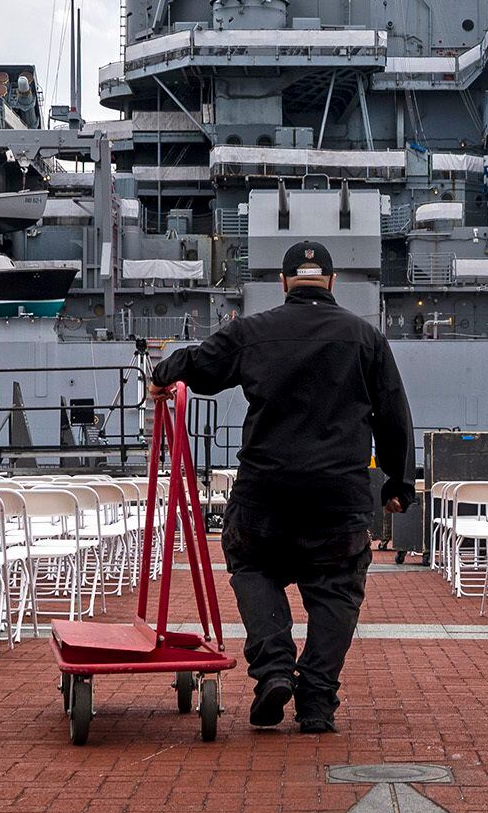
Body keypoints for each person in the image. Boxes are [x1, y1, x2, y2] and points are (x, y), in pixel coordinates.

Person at [148, 241, 413, 734]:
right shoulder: (366, 338)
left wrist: (164, 375)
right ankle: (316, 701)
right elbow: (394, 416)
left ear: (284, 283)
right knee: (336, 590)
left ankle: (273, 670)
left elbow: (202, 365)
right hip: (339, 497)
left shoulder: (254, 332)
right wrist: (399, 484)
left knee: (251, 565)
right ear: (332, 283)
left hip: (266, 494)